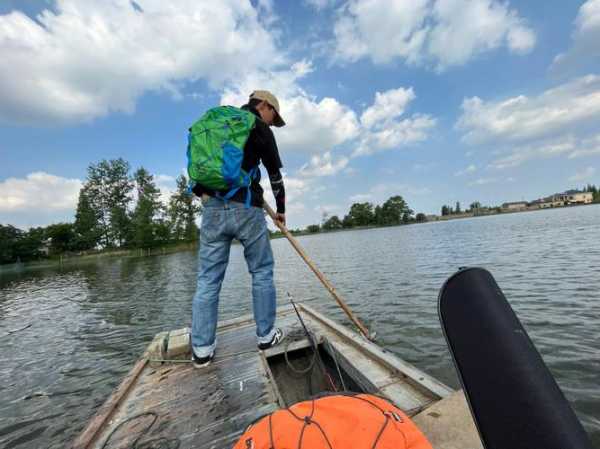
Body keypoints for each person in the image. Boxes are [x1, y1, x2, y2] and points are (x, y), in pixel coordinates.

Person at [190, 90, 287, 368]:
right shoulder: (258, 127)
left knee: (208, 279)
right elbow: (275, 176)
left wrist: (207, 197)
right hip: (247, 208)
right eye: (273, 116)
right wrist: (280, 210)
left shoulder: (217, 123)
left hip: (212, 210)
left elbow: (198, 170)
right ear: (264, 106)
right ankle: (266, 336)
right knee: (261, 271)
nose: (272, 122)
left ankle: (202, 350)